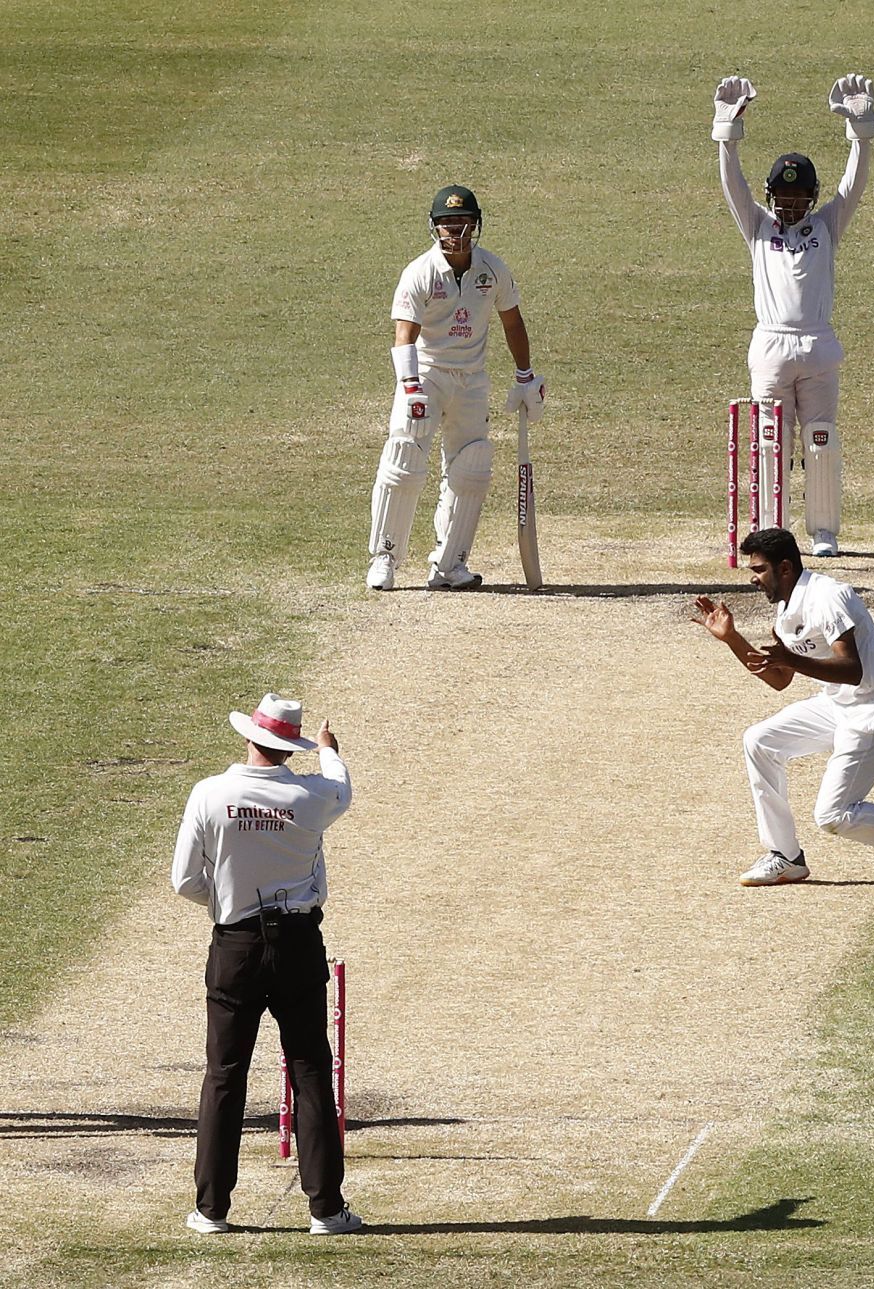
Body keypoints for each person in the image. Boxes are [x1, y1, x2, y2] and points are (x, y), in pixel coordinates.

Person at [171, 694, 364, 1235]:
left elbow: (185, 880)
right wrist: (328, 751)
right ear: (290, 747)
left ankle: (211, 1210)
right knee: (310, 1072)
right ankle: (326, 1209)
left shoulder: (211, 793)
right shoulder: (312, 794)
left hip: (235, 946)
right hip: (299, 942)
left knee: (224, 1076)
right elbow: (342, 787)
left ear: (249, 737)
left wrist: (229, 900)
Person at [690, 527, 874, 886]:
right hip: (838, 704)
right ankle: (785, 856)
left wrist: (793, 662)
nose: (753, 578)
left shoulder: (829, 597)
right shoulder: (786, 609)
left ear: (785, 568)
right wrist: (732, 638)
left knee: (833, 816)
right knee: (760, 740)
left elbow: (852, 670)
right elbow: (779, 678)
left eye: (759, 569)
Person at [712, 71, 874, 558]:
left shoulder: (826, 224)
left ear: (810, 197)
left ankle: (824, 532)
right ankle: (770, 533)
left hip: (819, 345)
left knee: (820, 441)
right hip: (771, 346)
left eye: (797, 198)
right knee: (771, 443)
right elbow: (732, 185)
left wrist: (860, 131)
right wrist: (727, 130)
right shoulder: (758, 227)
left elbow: (855, 183)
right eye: (781, 199)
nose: (788, 206)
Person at [366, 184, 546, 591]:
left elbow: (512, 323)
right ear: (435, 228)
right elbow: (404, 333)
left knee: (473, 466)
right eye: (448, 224)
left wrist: (525, 377)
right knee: (404, 460)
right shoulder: (420, 273)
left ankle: (449, 565)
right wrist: (410, 386)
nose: (456, 232)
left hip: (471, 380)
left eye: (463, 223)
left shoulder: (493, 269)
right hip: (427, 375)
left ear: (476, 226)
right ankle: (385, 557)